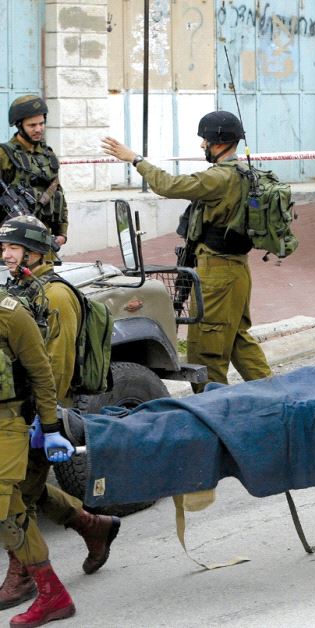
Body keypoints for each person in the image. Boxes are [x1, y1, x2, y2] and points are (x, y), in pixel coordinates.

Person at [101, 112, 272, 392]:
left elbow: (168, 185)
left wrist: (135, 159)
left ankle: (215, 410)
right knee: (238, 339)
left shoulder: (219, 177)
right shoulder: (244, 172)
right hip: (236, 270)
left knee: (206, 351)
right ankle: (277, 396)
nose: (202, 146)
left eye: (205, 140)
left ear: (218, 142)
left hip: (217, 272)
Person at [0, 216, 120, 613]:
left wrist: (44, 420)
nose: (6, 254)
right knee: (24, 490)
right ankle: (92, 525)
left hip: (41, 412)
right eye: (4, 248)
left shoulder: (55, 296)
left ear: (36, 252)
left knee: (17, 498)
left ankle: (24, 577)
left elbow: (55, 364)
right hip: (24, 409)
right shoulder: (23, 287)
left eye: (13, 248)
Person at [0, 281, 77, 626]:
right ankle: (93, 526)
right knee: (13, 507)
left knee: (6, 509)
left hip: (9, 422)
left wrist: (49, 428)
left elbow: (42, 373)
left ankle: (52, 594)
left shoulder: (10, 316)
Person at [0, 96, 68, 247]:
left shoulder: (48, 155)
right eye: (32, 125)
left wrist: (62, 233)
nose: (38, 129)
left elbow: (59, 195)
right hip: (12, 244)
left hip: (44, 241)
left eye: (41, 123)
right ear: (19, 126)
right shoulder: (4, 154)